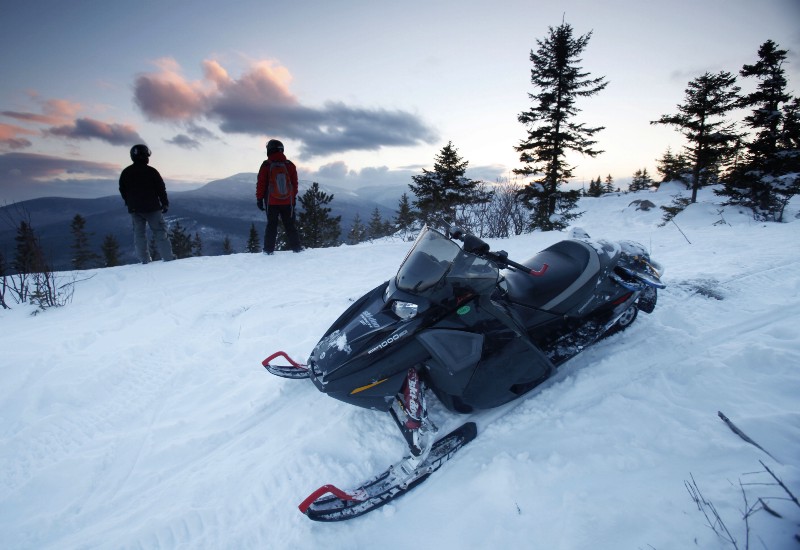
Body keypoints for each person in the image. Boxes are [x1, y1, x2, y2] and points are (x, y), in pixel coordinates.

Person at [119, 144, 175, 263]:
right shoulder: (151, 171)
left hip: (135, 209)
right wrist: (165, 203)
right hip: (152, 208)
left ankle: (144, 260)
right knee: (160, 232)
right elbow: (161, 189)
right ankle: (168, 258)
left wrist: (129, 203)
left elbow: (122, 190)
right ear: (145, 155)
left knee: (139, 234)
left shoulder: (126, 172)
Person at [256, 139, 302, 254]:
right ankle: (296, 248)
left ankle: (268, 250)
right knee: (290, 225)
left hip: (271, 202)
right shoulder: (290, 165)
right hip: (288, 202)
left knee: (271, 226)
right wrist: (292, 198)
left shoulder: (266, 165)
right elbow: (294, 184)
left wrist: (259, 198)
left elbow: (261, 183)